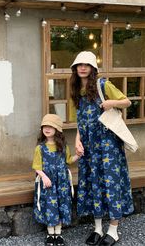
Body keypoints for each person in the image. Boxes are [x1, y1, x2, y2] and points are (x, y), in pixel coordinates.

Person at [70, 51, 134, 246]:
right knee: (93, 184)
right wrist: (77, 140)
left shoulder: (103, 84)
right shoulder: (76, 91)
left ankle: (113, 231)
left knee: (111, 183)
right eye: (79, 64)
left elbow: (127, 101)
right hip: (89, 147)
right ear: (75, 68)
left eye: (86, 64)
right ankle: (97, 228)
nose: (82, 67)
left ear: (92, 68)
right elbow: (80, 122)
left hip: (108, 146)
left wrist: (111, 103)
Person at [32, 114, 78, 246]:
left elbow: (69, 160)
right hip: (48, 183)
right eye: (45, 126)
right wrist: (44, 177)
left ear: (57, 129)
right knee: (50, 205)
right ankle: (50, 233)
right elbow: (37, 167)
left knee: (61, 204)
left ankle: (58, 233)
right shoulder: (40, 148)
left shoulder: (63, 147)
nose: (47, 129)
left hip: (62, 183)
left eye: (50, 126)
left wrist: (78, 155)